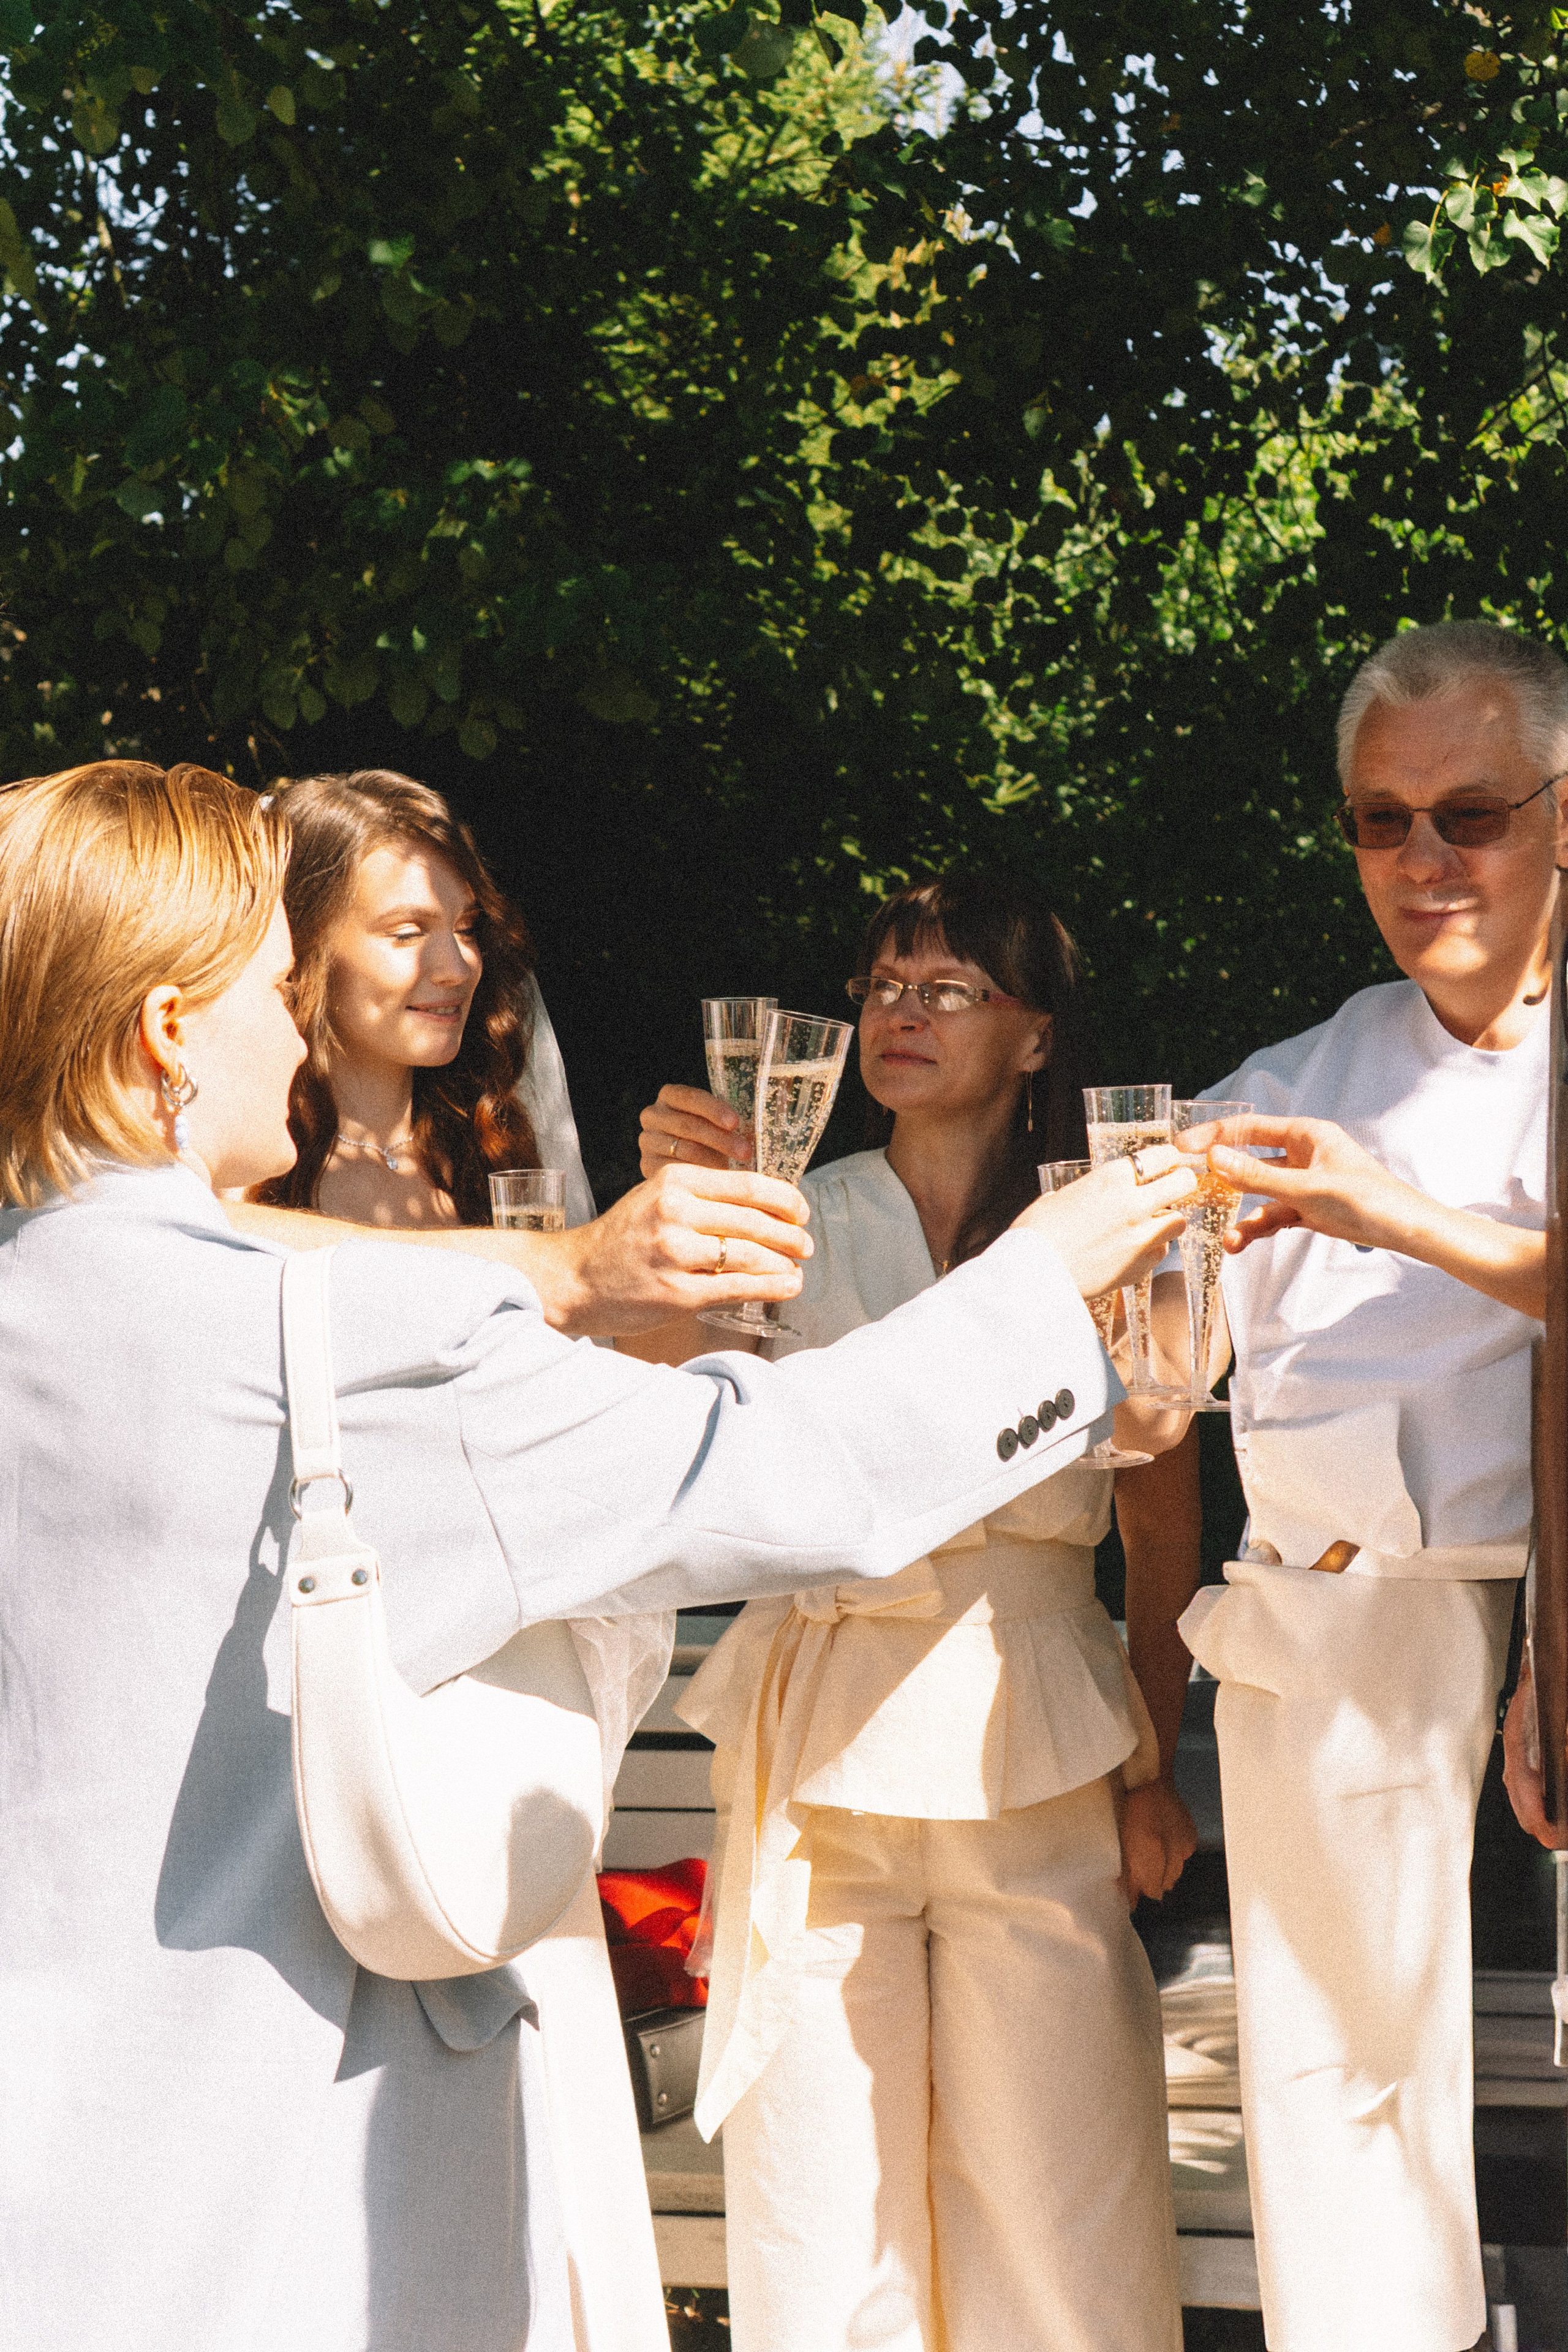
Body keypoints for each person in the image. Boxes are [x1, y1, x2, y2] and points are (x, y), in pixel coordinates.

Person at [0, 760, 1195, 2352]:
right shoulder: (325, 1361)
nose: (298, 1031)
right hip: (278, 2173)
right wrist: (1046, 1280)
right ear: (165, 1035)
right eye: (271, 987)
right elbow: (794, 1472)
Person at [635, 875, 1197, 2352]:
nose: (901, 1012)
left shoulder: (1101, 1223)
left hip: (1040, 1725)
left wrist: (1152, 1762)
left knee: (1057, 2171)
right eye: (884, 984)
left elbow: (1156, 1518)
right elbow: (671, 1431)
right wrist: (662, 1226)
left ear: (1032, 1039)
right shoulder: (787, 1216)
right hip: (824, 1721)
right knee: (823, 2183)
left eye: (947, 988)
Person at [1141, 621, 1567, 2352]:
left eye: (1467, 813)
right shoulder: (1310, 1074)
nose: (1423, 860)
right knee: (1332, 2093)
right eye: (1381, 823)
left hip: (1514, 1582)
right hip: (1330, 1602)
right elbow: (1137, 1309)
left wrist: (1392, 1212)